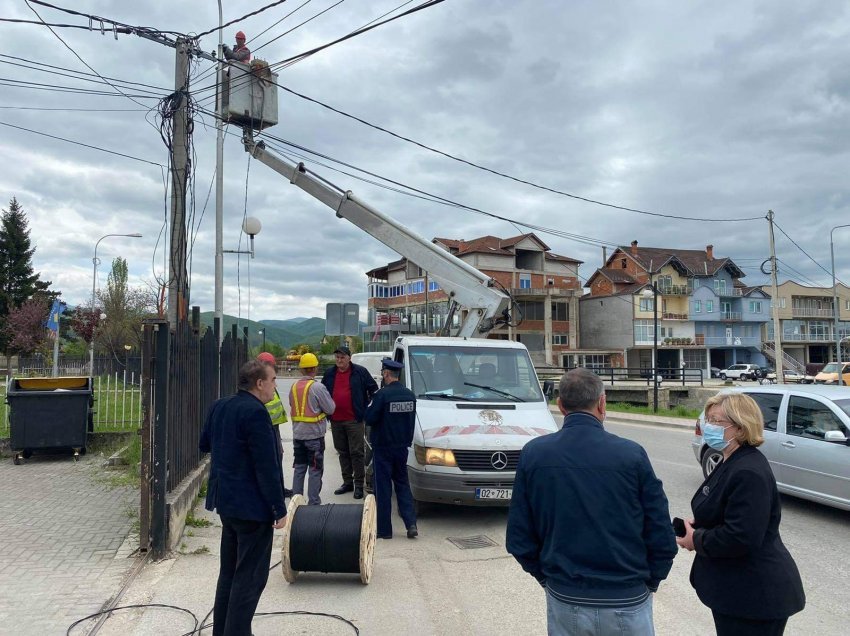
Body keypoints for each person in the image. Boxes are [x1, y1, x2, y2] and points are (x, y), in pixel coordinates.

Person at [506, 368, 677, 636]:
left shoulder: (534, 454)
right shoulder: (631, 455)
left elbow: (519, 536)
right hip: (626, 597)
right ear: (602, 403)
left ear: (560, 406)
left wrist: (547, 578)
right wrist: (650, 582)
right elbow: (660, 531)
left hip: (566, 597)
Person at [676, 392, 805, 635]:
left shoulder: (748, 471)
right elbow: (726, 509)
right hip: (738, 591)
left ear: (740, 427)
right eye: (708, 420)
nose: (708, 427)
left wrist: (698, 539)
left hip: (755, 596)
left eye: (717, 422)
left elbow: (742, 536)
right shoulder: (730, 460)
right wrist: (701, 523)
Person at [199, 360, 286, 636]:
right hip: (253, 509)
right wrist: (278, 508)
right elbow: (266, 466)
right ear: (259, 383)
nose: (275, 385)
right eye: (273, 379)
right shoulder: (256, 413)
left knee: (229, 574)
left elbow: (204, 444)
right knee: (249, 579)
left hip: (227, 504)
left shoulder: (220, 405)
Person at [364, 359, 418, 540]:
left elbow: (370, 418)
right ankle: (411, 524)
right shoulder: (410, 395)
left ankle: (385, 531)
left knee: (384, 488)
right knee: (403, 485)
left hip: (383, 448)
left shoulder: (382, 395)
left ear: (386, 374)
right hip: (402, 448)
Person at [321, 345, 379, 499]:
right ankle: (347, 482)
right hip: (335, 420)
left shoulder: (360, 372)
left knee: (357, 452)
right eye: (337, 357)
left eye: (342, 357)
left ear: (349, 358)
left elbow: (374, 389)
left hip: (354, 420)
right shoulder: (329, 373)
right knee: (343, 452)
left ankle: (359, 485)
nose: (339, 360)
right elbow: (322, 393)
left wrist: (366, 408)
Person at [289, 352, 335, 505]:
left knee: (299, 469)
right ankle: (313, 503)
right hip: (314, 437)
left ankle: (296, 502)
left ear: (302, 369)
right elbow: (330, 409)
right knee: (315, 470)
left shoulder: (294, 387)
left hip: (298, 436)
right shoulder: (317, 387)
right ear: (315, 368)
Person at [256, 352, 293, 499]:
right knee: (272, 458)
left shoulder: (270, 381)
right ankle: (274, 490)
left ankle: (278, 488)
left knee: (278, 456)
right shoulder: (261, 384)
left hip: (274, 427)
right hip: (266, 427)